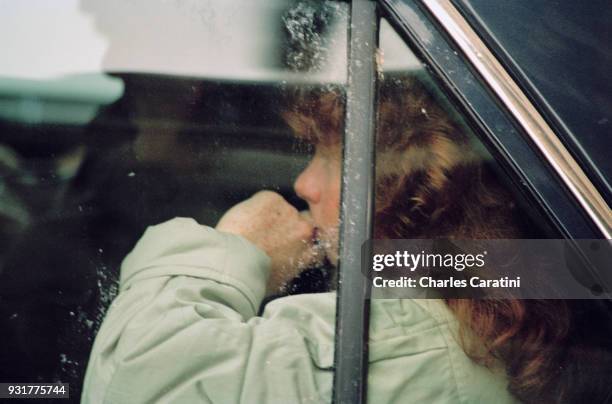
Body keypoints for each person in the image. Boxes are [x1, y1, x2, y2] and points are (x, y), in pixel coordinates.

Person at [82, 76, 611, 403]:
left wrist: (233, 250)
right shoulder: (494, 310)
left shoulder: (407, 345)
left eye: (336, 156)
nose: (303, 184)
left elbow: (134, 385)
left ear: (413, 191)